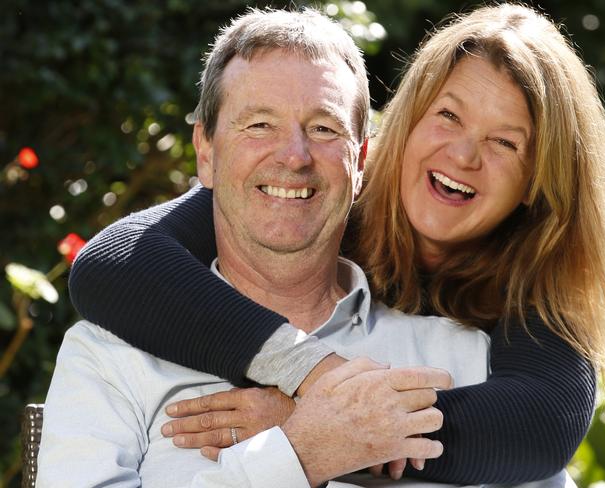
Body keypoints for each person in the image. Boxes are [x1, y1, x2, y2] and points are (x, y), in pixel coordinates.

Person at [67, 2, 605, 484]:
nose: (463, 156)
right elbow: (113, 264)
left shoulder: (524, 303)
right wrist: (315, 376)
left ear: (539, 181)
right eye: (448, 116)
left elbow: (538, 430)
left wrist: (323, 428)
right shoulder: (311, 198)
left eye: (505, 142)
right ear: (403, 124)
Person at [37, 8, 465, 487]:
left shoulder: (457, 353)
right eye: (259, 124)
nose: (294, 156)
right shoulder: (109, 358)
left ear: (361, 160)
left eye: (324, 128)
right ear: (206, 152)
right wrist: (301, 451)